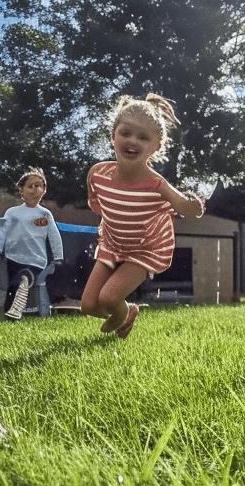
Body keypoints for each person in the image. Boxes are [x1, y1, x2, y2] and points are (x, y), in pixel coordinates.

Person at [80, 93, 204, 338]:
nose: (132, 141)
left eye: (143, 137)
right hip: (113, 242)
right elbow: (97, 204)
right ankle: (128, 313)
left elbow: (181, 204)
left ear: (156, 146)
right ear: (113, 135)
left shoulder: (156, 184)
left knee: (108, 298)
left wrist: (194, 206)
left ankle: (121, 312)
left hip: (146, 248)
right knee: (89, 306)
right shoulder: (98, 174)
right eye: (126, 133)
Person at [2, 167, 64, 320]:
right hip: (14, 256)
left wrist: (58, 255)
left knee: (24, 276)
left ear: (44, 191)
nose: (35, 189)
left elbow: (54, 235)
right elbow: (2, 232)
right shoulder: (12, 212)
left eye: (39, 185)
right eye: (31, 186)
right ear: (21, 190)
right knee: (12, 286)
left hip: (36, 259)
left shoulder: (44, 214)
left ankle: (25, 280)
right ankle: (11, 315)